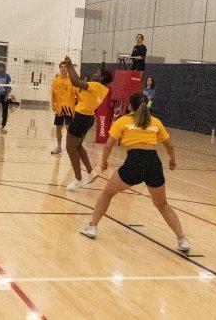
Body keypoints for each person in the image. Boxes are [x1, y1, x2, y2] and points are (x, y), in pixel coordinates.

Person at [79, 93, 190, 253]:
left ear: (130, 106)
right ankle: (182, 239)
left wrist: (104, 161)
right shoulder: (156, 121)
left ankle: (92, 227)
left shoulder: (122, 121)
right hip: (154, 163)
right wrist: (172, 160)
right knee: (163, 205)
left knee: (107, 193)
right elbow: (169, 146)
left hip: (134, 162)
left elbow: (109, 144)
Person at [62, 55, 111, 190]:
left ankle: (78, 178)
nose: (94, 74)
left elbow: (75, 81)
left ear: (101, 78)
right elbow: (78, 81)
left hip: (82, 118)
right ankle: (90, 172)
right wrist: (70, 67)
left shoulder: (95, 85)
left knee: (70, 147)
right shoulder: (102, 88)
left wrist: (69, 65)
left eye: (97, 73)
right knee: (77, 147)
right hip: (88, 117)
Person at [50, 61, 77, 155]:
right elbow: (53, 94)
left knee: (68, 128)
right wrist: (53, 104)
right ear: (59, 68)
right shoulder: (55, 80)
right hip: (59, 108)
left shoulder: (71, 81)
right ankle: (59, 147)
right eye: (61, 67)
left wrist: (76, 107)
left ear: (68, 69)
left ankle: (71, 147)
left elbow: (76, 95)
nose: (63, 68)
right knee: (58, 128)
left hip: (68, 108)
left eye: (65, 67)